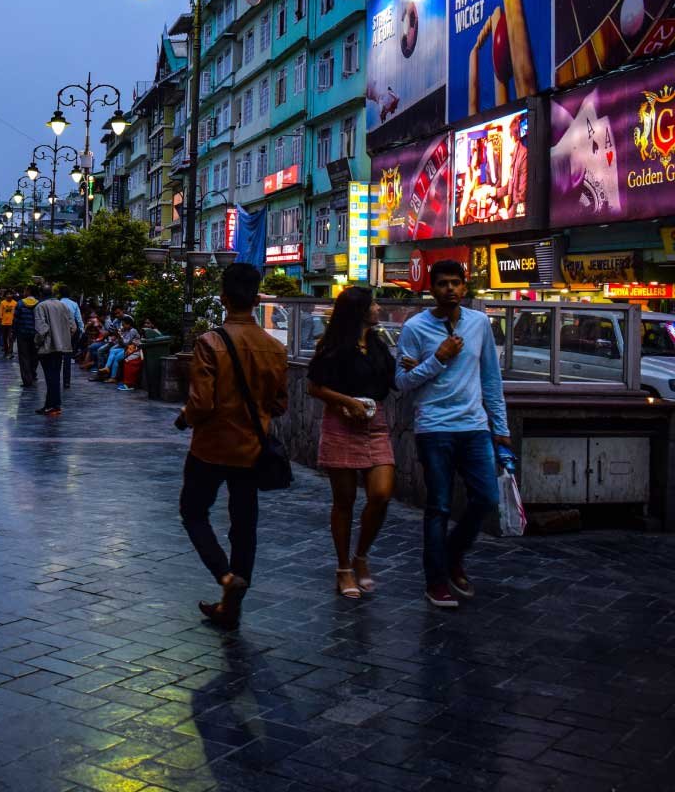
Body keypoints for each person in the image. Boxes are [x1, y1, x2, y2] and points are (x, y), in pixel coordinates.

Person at [177, 264, 288, 630]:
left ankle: (226, 578)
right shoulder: (274, 347)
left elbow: (202, 404)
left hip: (210, 446)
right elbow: (280, 403)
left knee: (194, 512)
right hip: (251, 449)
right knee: (244, 523)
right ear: (257, 299)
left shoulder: (210, 343)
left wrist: (185, 417)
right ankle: (232, 602)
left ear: (224, 298)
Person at [396, 259, 509, 609]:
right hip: (434, 428)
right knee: (439, 506)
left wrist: (500, 429)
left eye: (456, 283)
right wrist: (438, 359)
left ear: (465, 286)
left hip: (474, 426)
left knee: (487, 498)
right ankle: (436, 580)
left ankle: (452, 554)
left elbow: (490, 378)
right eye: (443, 283)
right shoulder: (415, 328)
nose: (450, 289)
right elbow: (401, 383)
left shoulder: (479, 324)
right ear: (432, 289)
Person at [307, 288, 397, 599]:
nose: (378, 308)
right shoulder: (333, 347)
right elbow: (315, 387)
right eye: (373, 303)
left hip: (375, 424)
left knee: (382, 493)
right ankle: (343, 567)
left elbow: (388, 380)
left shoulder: (377, 344)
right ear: (358, 311)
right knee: (344, 501)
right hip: (341, 425)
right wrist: (346, 401)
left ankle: (361, 556)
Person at [33, 285, 77, 416]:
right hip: (61, 347)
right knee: (55, 376)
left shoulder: (41, 306)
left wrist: (37, 343)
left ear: (41, 293)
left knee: (50, 377)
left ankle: (52, 405)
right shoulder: (63, 306)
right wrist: (64, 339)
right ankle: (53, 405)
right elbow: (73, 326)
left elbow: (41, 329)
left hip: (47, 347)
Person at [99, 316, 140, 384]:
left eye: (124, 324)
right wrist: (119, 335)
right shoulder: (125, 330)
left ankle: (113, 377)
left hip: (132, 349)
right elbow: (122, 343)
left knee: (117, 358)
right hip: (125, 348)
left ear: (129, 324)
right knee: (112, 351)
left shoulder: (133, 331)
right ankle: (107, 367)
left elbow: (126, 343)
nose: (123, 326)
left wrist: (120, 336)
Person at [14, 286, 41, 388]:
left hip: (22, 333)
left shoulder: (20, 303)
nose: (24, 291)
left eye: (25, 290)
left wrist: (14, 332)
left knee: (24, 357)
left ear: (29, 291)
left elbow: (16, 320)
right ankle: (33, 373)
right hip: (35, 333)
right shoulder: (39, 304)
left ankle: (27, 379)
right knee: (34, 355)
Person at [57, 285, 83, 389]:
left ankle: (56, 379)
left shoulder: (57, 304)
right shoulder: (74, 304)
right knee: (67, 357)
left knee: (57, 356)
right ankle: (66, 382)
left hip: (58, 332)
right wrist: (81, 331)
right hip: (70, 332)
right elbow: (79, 319)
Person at [0, 290, 18, 358]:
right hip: (4, 323)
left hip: (12, 323)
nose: (9, 295)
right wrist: (1, 321)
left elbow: (16, 314)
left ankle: (10, 352)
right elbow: (0, 313)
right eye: (8, 294)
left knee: (11, 338)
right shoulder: (2, 303)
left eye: (10, 294)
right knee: (4, 338)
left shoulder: (15, 303)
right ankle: (6, 351)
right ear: (5, 295)